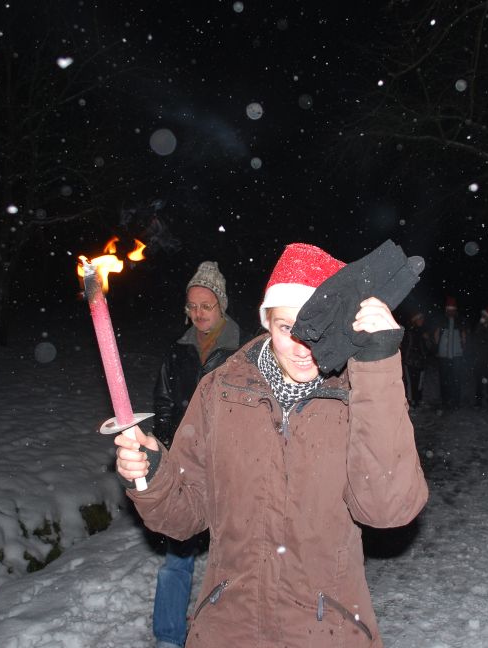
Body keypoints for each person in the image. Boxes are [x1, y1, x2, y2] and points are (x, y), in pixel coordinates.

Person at [115, 242, 428, 648]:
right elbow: (185, 515)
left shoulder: (358, 392)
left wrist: (378, 364)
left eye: (316, 328)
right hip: (229, 631)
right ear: (267, 323)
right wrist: (153, 475)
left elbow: (387, 509)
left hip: (325, 633)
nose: (302, 347)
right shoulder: (221, 390)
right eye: (286, 328)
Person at [150, 260, 247, 648]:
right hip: (187, 467)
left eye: (206, 305)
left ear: (221, 304)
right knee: (177, 554)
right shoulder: (178, 351)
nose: (198, 313)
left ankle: (231, 632)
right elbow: (163, 403)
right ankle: (168, 636)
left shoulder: (245, 348)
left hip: (232, 465)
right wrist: (169, 448)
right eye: (192, 306)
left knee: (236, 555)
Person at [433, 296, 466, 410]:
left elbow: (464, 337)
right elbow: (436, 336)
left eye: (452, 309)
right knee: (446, 380)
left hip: (456, 355)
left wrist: (463, 348)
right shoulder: (442, 320)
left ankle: (454, 401)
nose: (451, 312)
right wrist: (437, 349)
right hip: (444, 356)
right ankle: (447, 401)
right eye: (449, 309)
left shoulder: (459, 321)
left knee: (454, 379)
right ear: (447, 309)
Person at [400, 311, 432, 408]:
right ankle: (411, 401)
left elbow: (428, 347)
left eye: (422, 318)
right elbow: (406, 345)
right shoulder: (410, 330)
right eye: (420, 319)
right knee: (410, 382)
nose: (422, 320)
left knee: (419, 382)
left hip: (420, 361)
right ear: (415, 320)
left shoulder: (423, 331)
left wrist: (427, 340)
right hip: (410, 360)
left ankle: (417, 400)